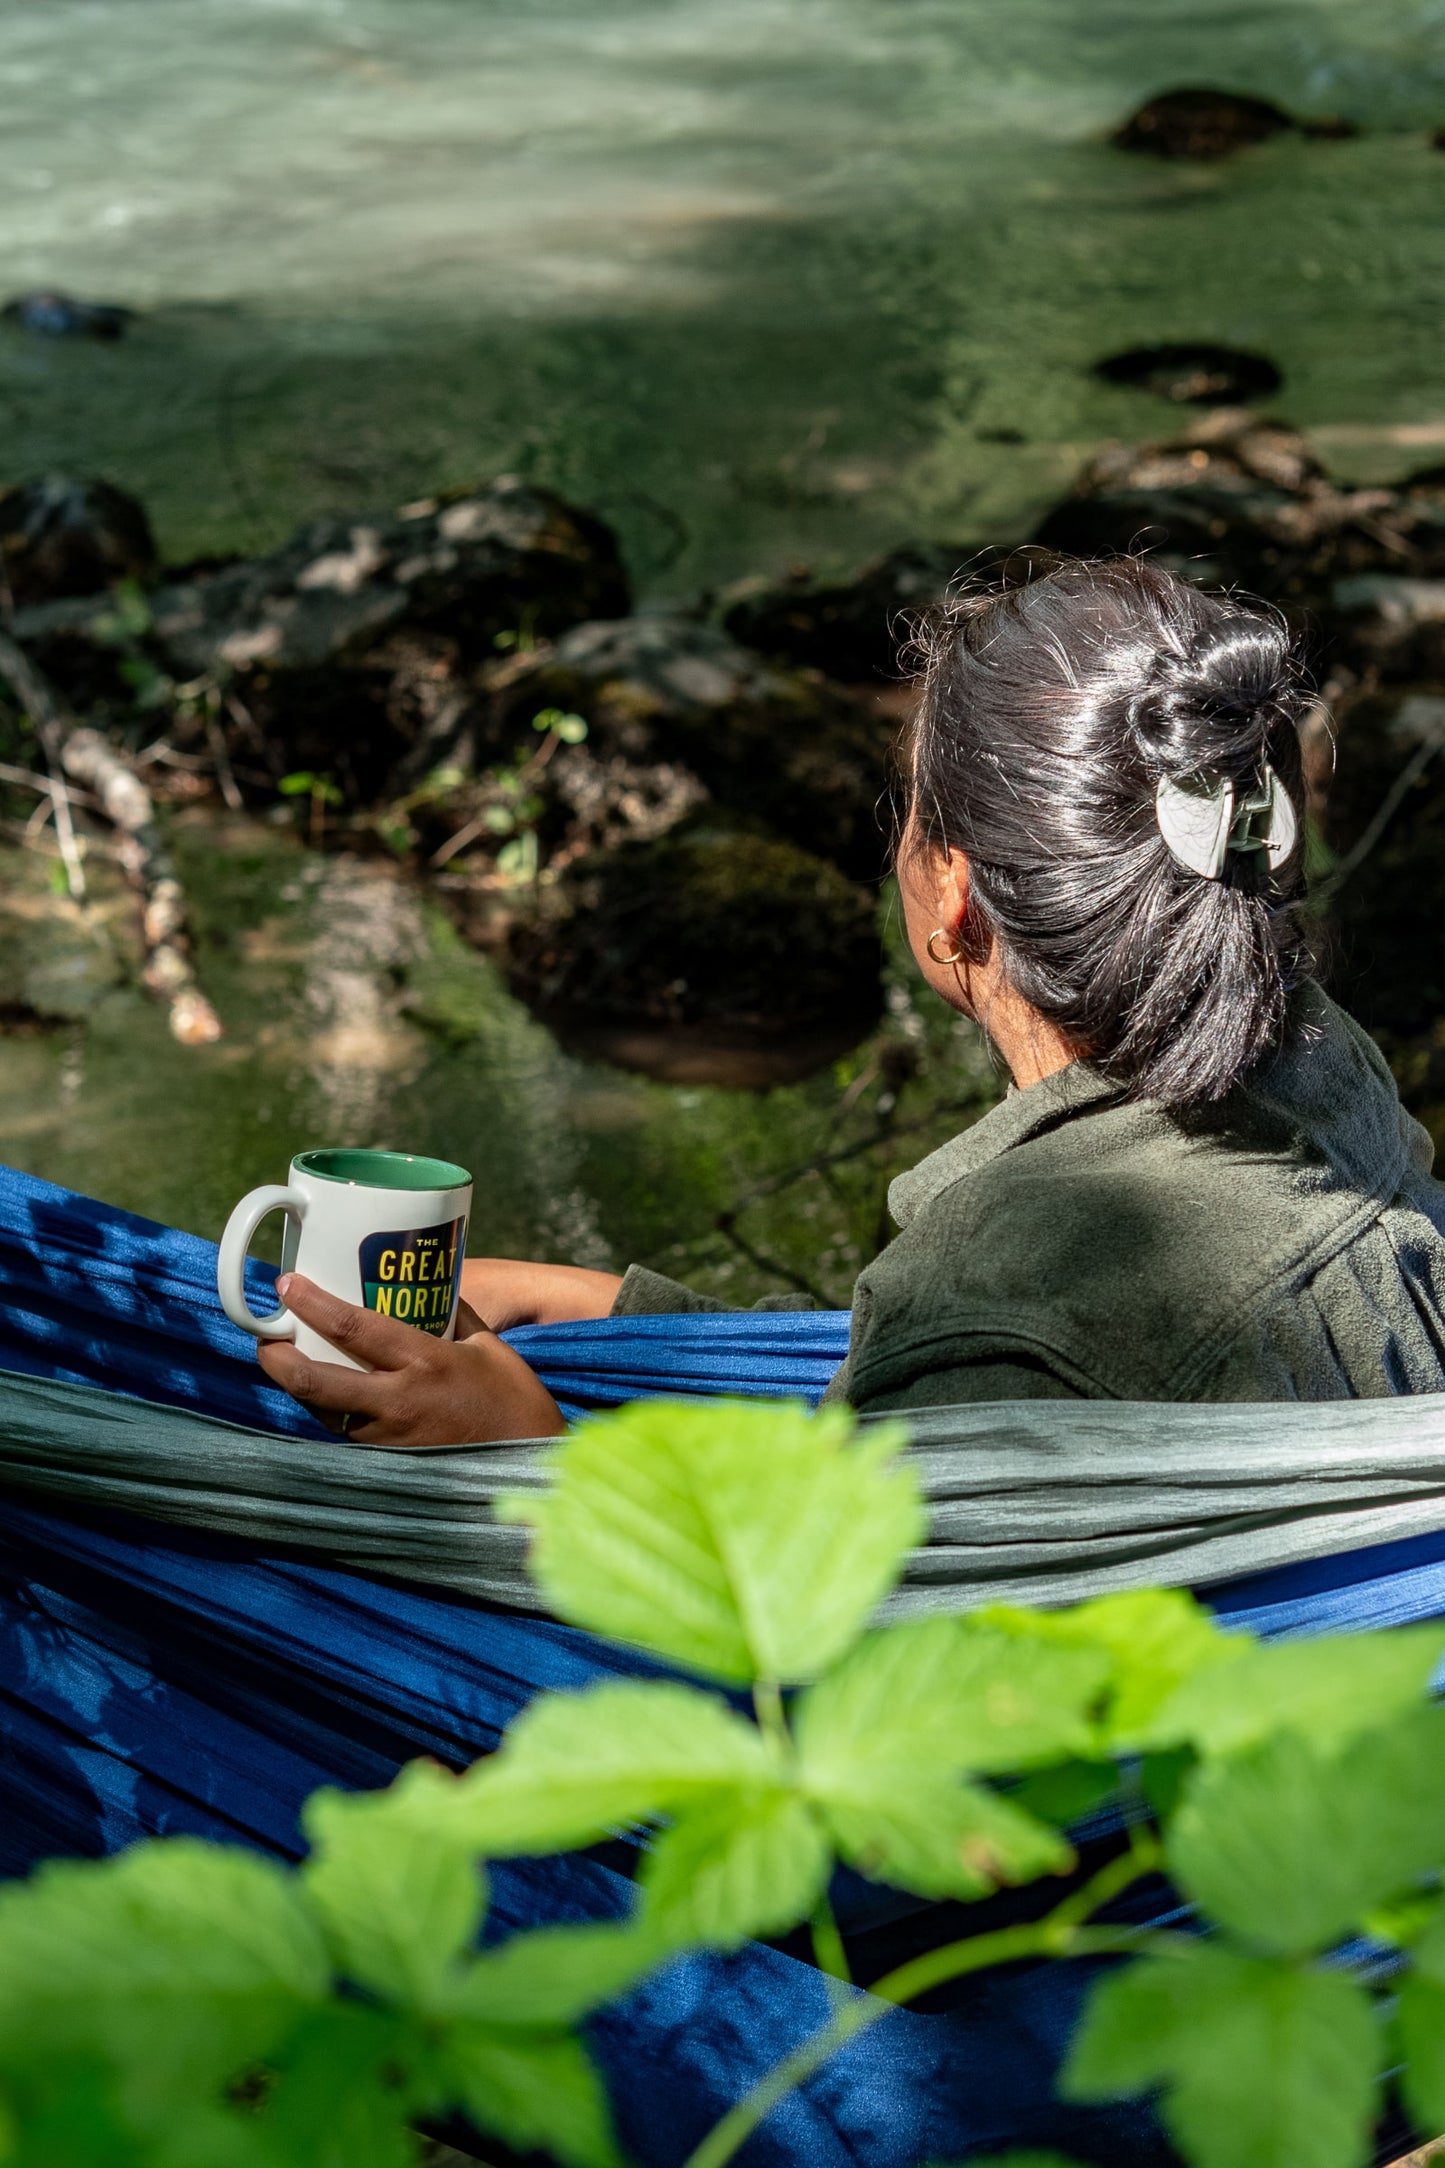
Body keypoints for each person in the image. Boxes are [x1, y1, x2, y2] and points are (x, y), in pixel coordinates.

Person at [259, 555, 1445, 1444]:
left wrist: (529, 1454)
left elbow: (853, 1696)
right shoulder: (1322, 1065)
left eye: (909, 813)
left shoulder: (1002, 1315)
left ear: (956, 897)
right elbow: (935, 1377)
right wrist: (629, 1314)